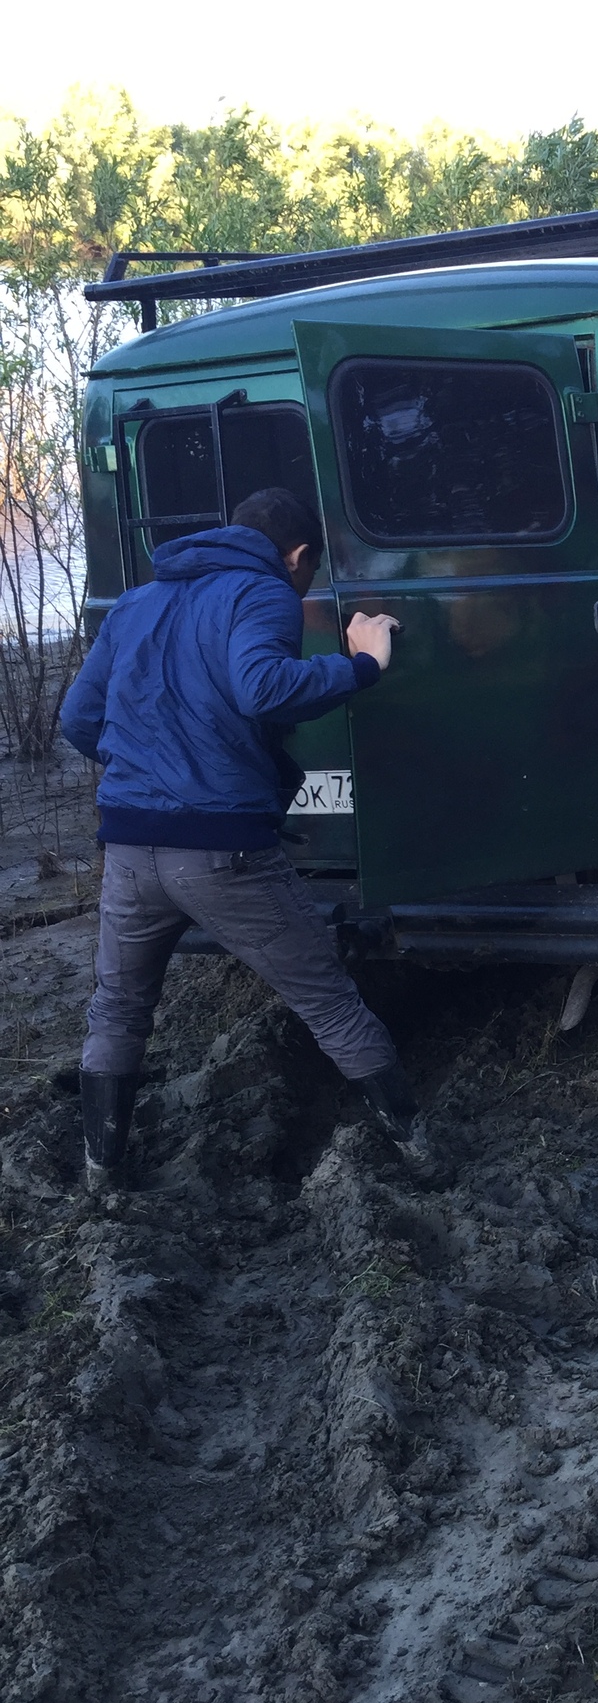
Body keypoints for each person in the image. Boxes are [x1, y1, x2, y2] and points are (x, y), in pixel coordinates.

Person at [60, 485, 423, 1190]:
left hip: (131, 852)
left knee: (118, 1008)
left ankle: (101, 1174)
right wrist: (365, 664)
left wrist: (148, 767)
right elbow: (263, 687)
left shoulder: (137, 602)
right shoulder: (263, 592)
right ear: (298, 556)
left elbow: (79, 718)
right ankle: (422, 1149)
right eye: (308, 570)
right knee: (328, 1000)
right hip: (223, 852)